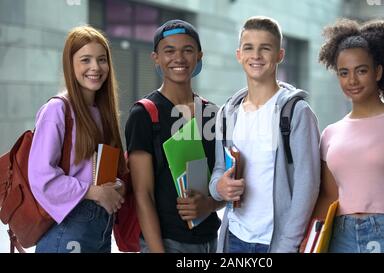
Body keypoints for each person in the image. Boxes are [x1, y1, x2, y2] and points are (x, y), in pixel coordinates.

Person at [312, 18, 384, 253]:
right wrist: (310, 244)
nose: (352, 81)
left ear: (377, 72)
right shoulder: (330, 133)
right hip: (340, 237)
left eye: (361, 71)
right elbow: (328, 197)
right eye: (344, 73)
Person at [209, 16, 321, 253]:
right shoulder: (228, 114)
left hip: (276, 243)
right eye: (249, 48)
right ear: (239, 54)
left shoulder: (297, 113)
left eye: (265, 48)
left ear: (279, 55)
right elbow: (218, 172)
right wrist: (219, 187)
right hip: (234, 239)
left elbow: (307, 186)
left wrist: (288, 245)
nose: (256, 55)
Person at [125, 19, 223, 253]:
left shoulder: (213, 114)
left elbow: (224, 184)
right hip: (166, 244)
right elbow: (143, 195)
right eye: (169, 51)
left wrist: (209, 204)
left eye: (187, 50)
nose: (178, 58)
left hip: (210, 242)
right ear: (156, 58)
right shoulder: (145, 114)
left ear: (199, 56)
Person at [29, 25, 127, 253]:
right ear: (70, 64)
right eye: (86, 59)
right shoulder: (57, 109)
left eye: (102, 60)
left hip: (100, 229)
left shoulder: (103, 112)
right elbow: (41, 175)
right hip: (67, 228)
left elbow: (95, 170)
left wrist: (116, 186)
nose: (95, 67)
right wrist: (95, 192)